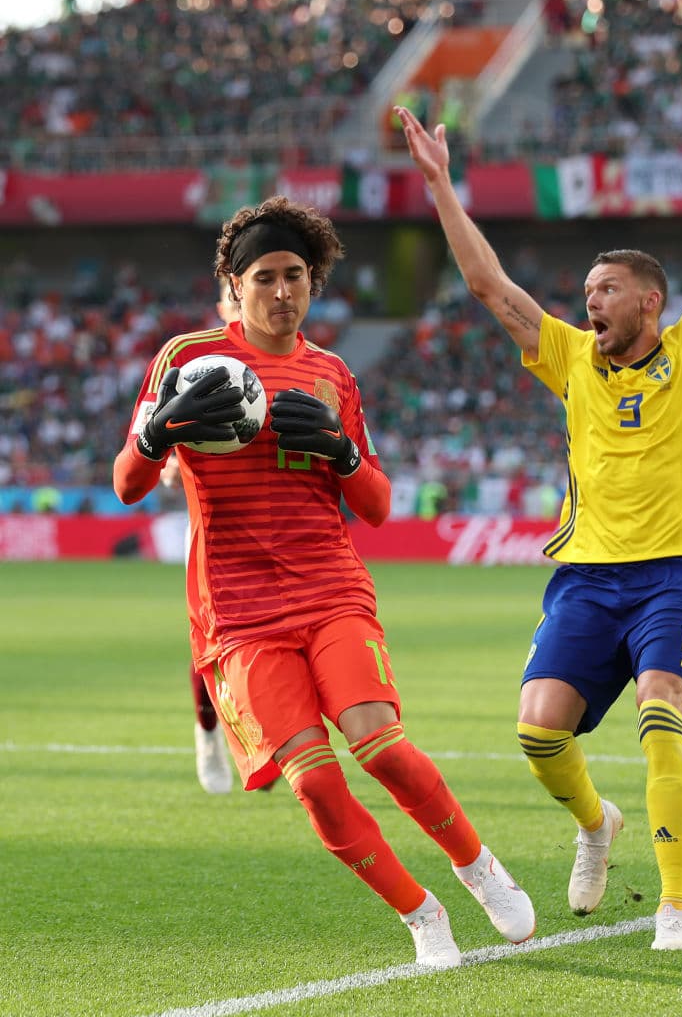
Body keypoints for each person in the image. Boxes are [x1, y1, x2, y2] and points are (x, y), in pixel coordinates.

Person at [395, 31, 682, 951]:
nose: (588, 300)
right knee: (537, 733)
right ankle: (596, 826)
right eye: (586, 289)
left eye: (605, 289)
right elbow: (486, 284)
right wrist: (439, 185)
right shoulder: (568, 358)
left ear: (648, 302)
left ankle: (674, 906)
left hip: (671, 574)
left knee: (660, 718)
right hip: (585, 578)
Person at [113, 195, 536, 967]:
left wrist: (342, 452)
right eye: (265, 277)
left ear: (313, 281)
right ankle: (421, 916)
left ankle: (477, 866)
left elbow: (375, 505)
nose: (282, 292)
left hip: (330, 588)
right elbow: (127, 485)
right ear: (233, 284)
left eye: (295, 276)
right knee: (313, 784)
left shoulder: (331, 373)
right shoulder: (187, 358)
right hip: (240, 612)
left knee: (381, 746)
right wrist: (156, 432)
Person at [159, 277, 243, 794]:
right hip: (214, 528)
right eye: (235, 297)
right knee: (210, 641)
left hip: (283, 528)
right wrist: (171, 465)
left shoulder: (292, 361)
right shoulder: (197, 364)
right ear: (221, 304)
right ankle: (208, 729)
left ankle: (259, 737)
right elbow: (164, 449)